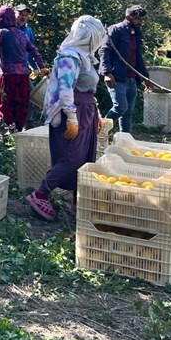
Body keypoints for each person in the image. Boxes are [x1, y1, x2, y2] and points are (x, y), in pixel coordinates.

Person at [26, 16, 107, 221]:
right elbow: (65, 89)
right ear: (91, 37)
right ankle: (40, 194)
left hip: (86, 109)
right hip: (73, 110)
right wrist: (71, 118)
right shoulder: (69, 57)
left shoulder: (85, 56)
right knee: (73, 157)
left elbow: (88, 88)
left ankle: (78, 199)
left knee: (86, 156)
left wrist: (96, 113)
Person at [0, 5, 45, 132]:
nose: (24, 17)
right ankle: (17, 128)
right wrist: (42, 67)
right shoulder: (22, 34)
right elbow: (34, 51)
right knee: (21, 103)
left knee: (4, 103)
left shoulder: (1, 33)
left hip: (7, 76)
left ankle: (8, 128)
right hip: (22, 75)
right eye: (21, 14)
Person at [100, 5, 152, 134]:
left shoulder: (137, 33)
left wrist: (145, 78)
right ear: (128, 18)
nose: (140, 22)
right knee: (120, 108)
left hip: (131, 79)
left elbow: (138, 57)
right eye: (137, 19)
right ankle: (99, 131)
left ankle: (125, 139)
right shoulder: (115, 30)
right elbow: (104, 50)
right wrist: (107, 73)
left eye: (142, 19)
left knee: (128, 112)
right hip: (117, 77)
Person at [0, 3, 40, 78]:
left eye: (26, 15)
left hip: (21, 70)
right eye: (21, 14)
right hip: (4, 71)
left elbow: (30, 51)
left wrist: (35, 67)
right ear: (14, 14)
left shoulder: (28, 32)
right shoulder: (3, 30)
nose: (23, 17)